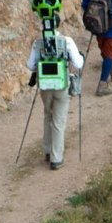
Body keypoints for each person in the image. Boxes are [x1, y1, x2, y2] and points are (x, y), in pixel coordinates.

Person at [26, 14, 84, 170]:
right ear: (58, 25)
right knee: (58, 121)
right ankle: (56, 158)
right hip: (61, 85)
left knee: (47, 115)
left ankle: (47, 150)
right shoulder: (66, 41)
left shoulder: (38, 43)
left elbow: (30, 65)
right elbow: (78, 63)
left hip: (45, 86)